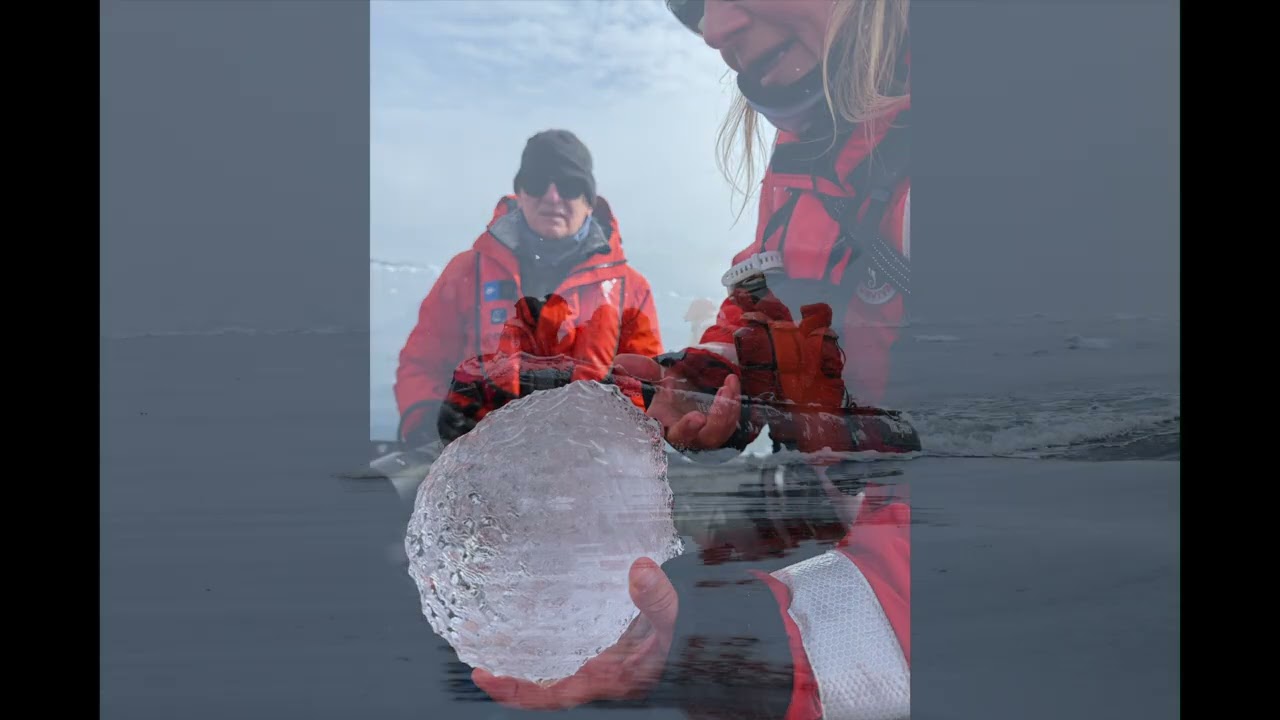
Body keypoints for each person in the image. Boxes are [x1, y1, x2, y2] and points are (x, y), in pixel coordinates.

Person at [469, 2, 912, 719]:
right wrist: (701, 380)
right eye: (691, 3)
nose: (709, 28)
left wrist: (727, 648)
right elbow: (776, 296)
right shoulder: (816, 149)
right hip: (835, 503)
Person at [393, 129, 665, 447]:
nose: (552, 197)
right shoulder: (466, 271)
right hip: (480, 464)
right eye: (537, 182)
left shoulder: (631, 289)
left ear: (589, 201)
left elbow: (646, 385)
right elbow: (421, 362)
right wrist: (426, 420)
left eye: (569, 186)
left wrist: (616, 433)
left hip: (588, 468)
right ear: (520, 193)